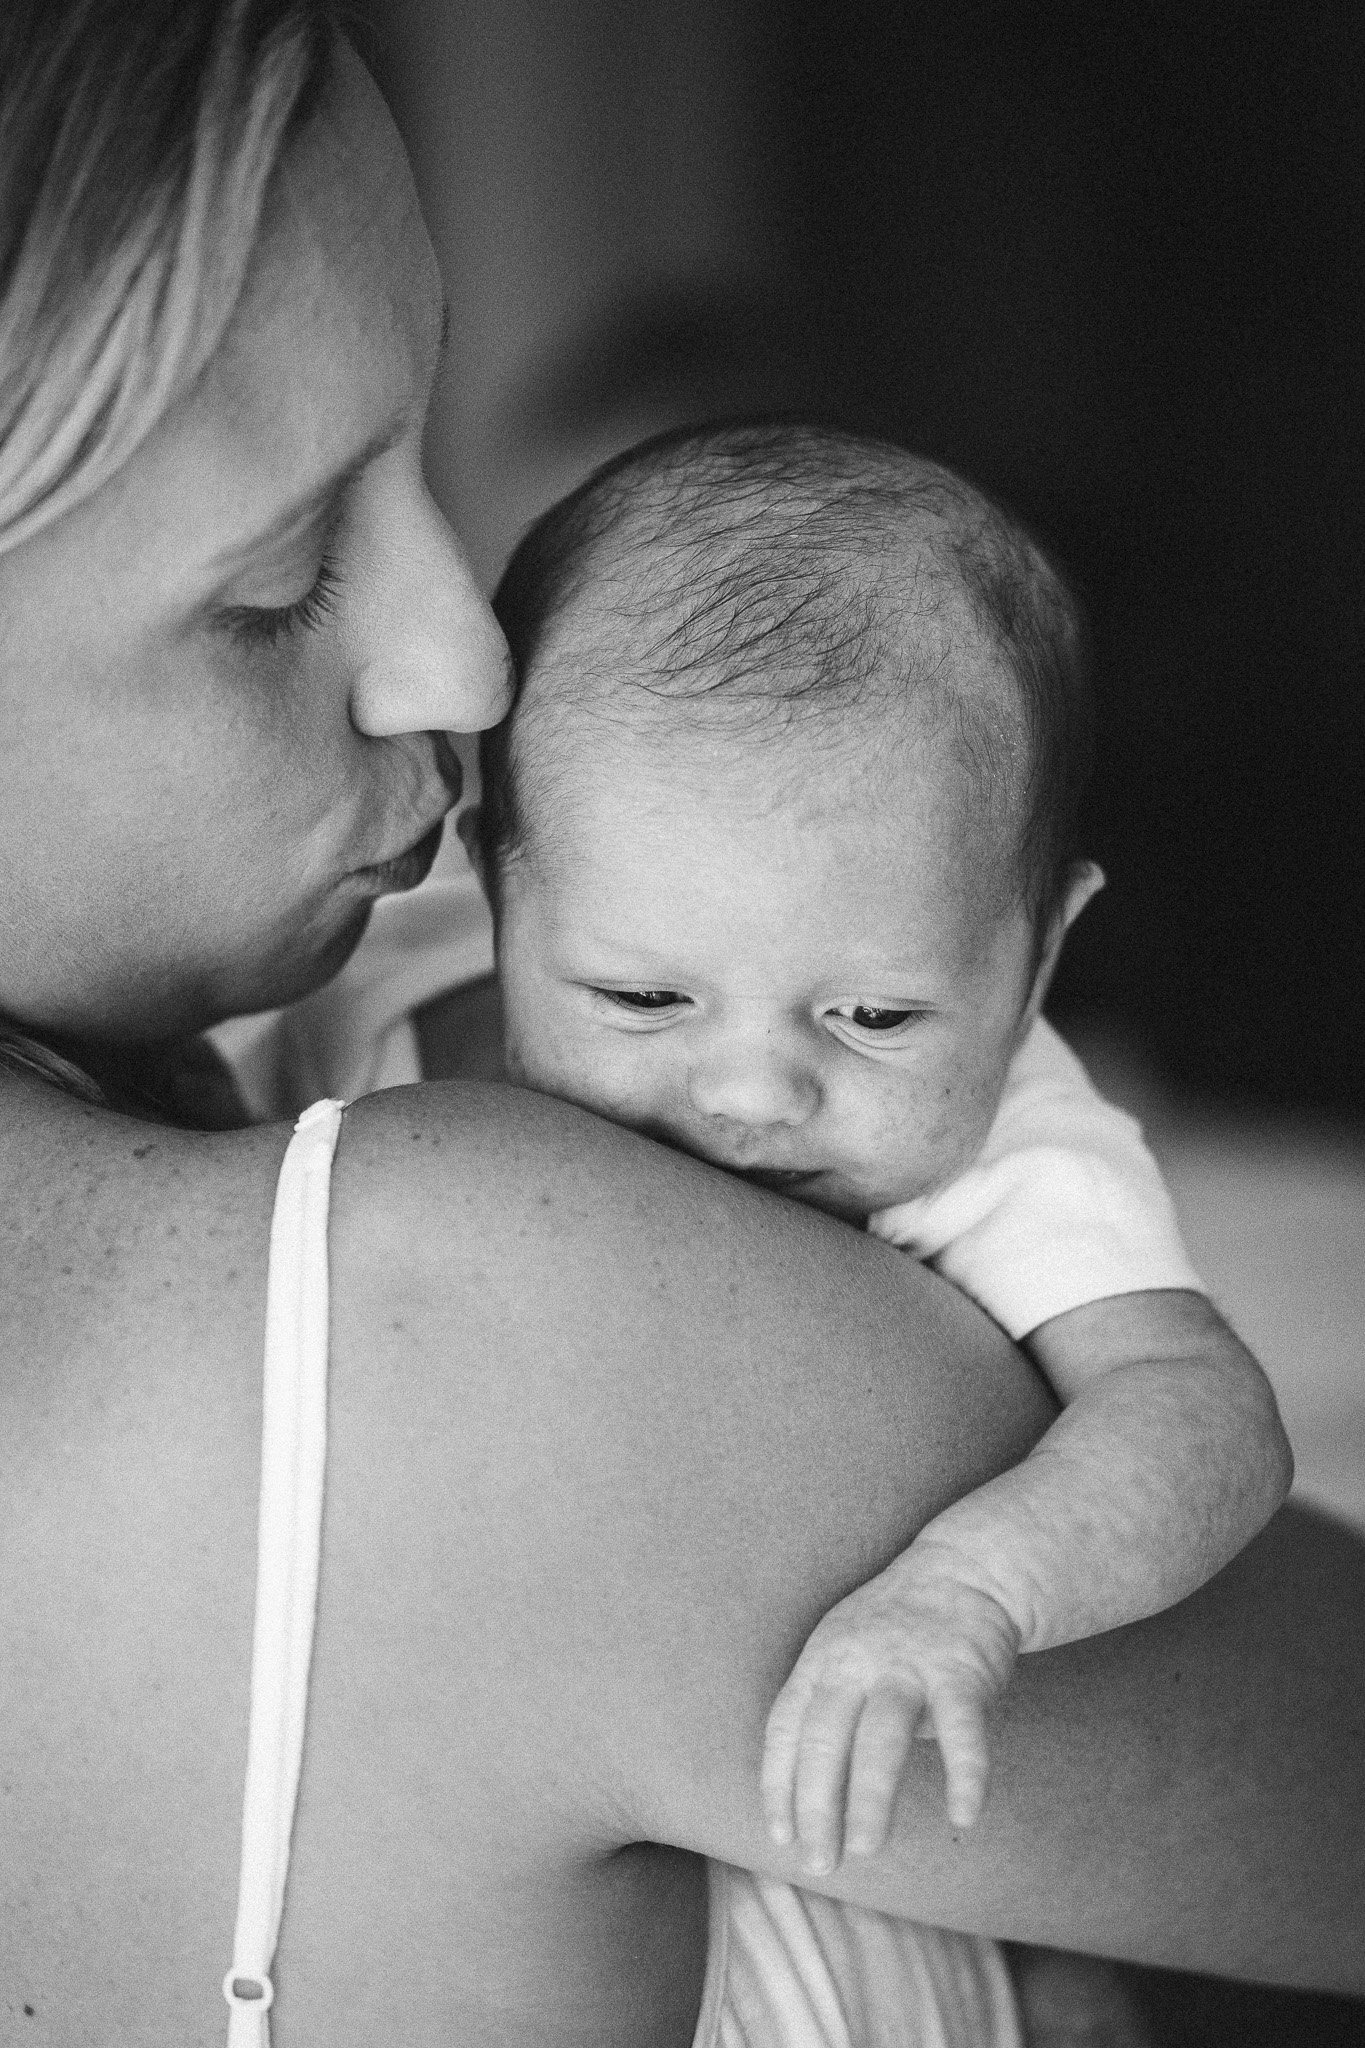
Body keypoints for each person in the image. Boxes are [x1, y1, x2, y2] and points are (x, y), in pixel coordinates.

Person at [1, 5, 1363, 2044]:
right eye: (281, 575)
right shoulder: (490, 1309)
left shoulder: (342, 1076)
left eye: (424, 452)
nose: (471, 663)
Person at [465, 420, 1292, 1866]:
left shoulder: (1013, 1155)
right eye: (643, 998)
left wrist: (971, 1592)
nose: (751, 1090)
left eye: (869, 1015)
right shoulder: (399, 1023)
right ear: (495, 897)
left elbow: (1202, 1417)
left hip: (849, 1809)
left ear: (1034, 966)